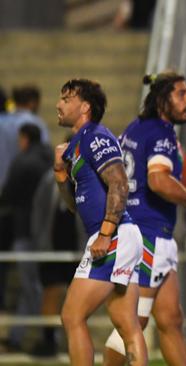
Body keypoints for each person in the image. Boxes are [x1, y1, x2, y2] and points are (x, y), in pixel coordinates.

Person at [103, 72, 186, 366]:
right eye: (181, 94)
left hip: (151, 233)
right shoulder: (161, 133)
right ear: (161, 98)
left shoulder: (137, 128)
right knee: (132, 323)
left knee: (170, 318)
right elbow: (158, 180)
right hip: (147, 235)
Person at [54, 78, 147, 365]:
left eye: (66, 99)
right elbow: (74, 207)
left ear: (84, 107)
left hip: (113, 234)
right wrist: (60, 175)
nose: (58, 104)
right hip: (121, 234)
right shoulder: (76, 146)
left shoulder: (95, 135)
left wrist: (106, 233)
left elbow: (119, 183)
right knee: (126, 323)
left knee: (72, 316)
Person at [0, 123, 52, 351]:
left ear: (24, 138)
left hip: (25, 230)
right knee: (36, 286)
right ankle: (20, 336)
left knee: (32, 287)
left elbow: (8, 194)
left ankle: (48, 337)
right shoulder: (49, 160)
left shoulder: (22, 163)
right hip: (48, 233)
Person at [30, 160, 87, 356]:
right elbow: (38, 211)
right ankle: (49, 341)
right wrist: (40, 242)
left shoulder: (88, 178)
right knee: (50, 294)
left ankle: (74, 342)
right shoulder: (48, 180)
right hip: (51, 248)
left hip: (79, 250)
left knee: (78, 300)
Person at [0, 85, 49, 189]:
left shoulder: (2, 122)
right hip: (25, 188)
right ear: (33, 102)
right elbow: (44, 154)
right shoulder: (36, 123)